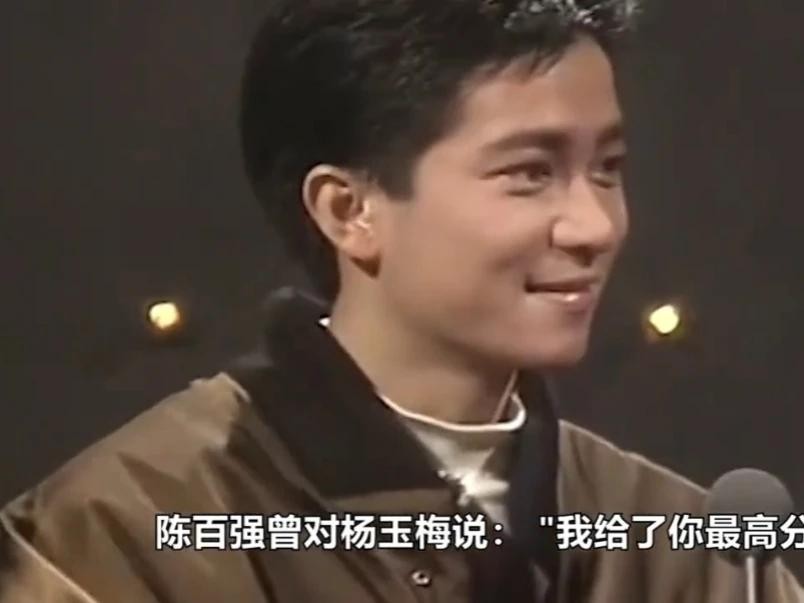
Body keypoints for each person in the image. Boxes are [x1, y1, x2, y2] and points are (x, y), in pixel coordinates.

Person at [0, 0, 801, 601]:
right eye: (529, 173)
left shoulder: (695, 551)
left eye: (608, 169)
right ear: (348, 210)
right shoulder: (117, 536)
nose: (595, 225)